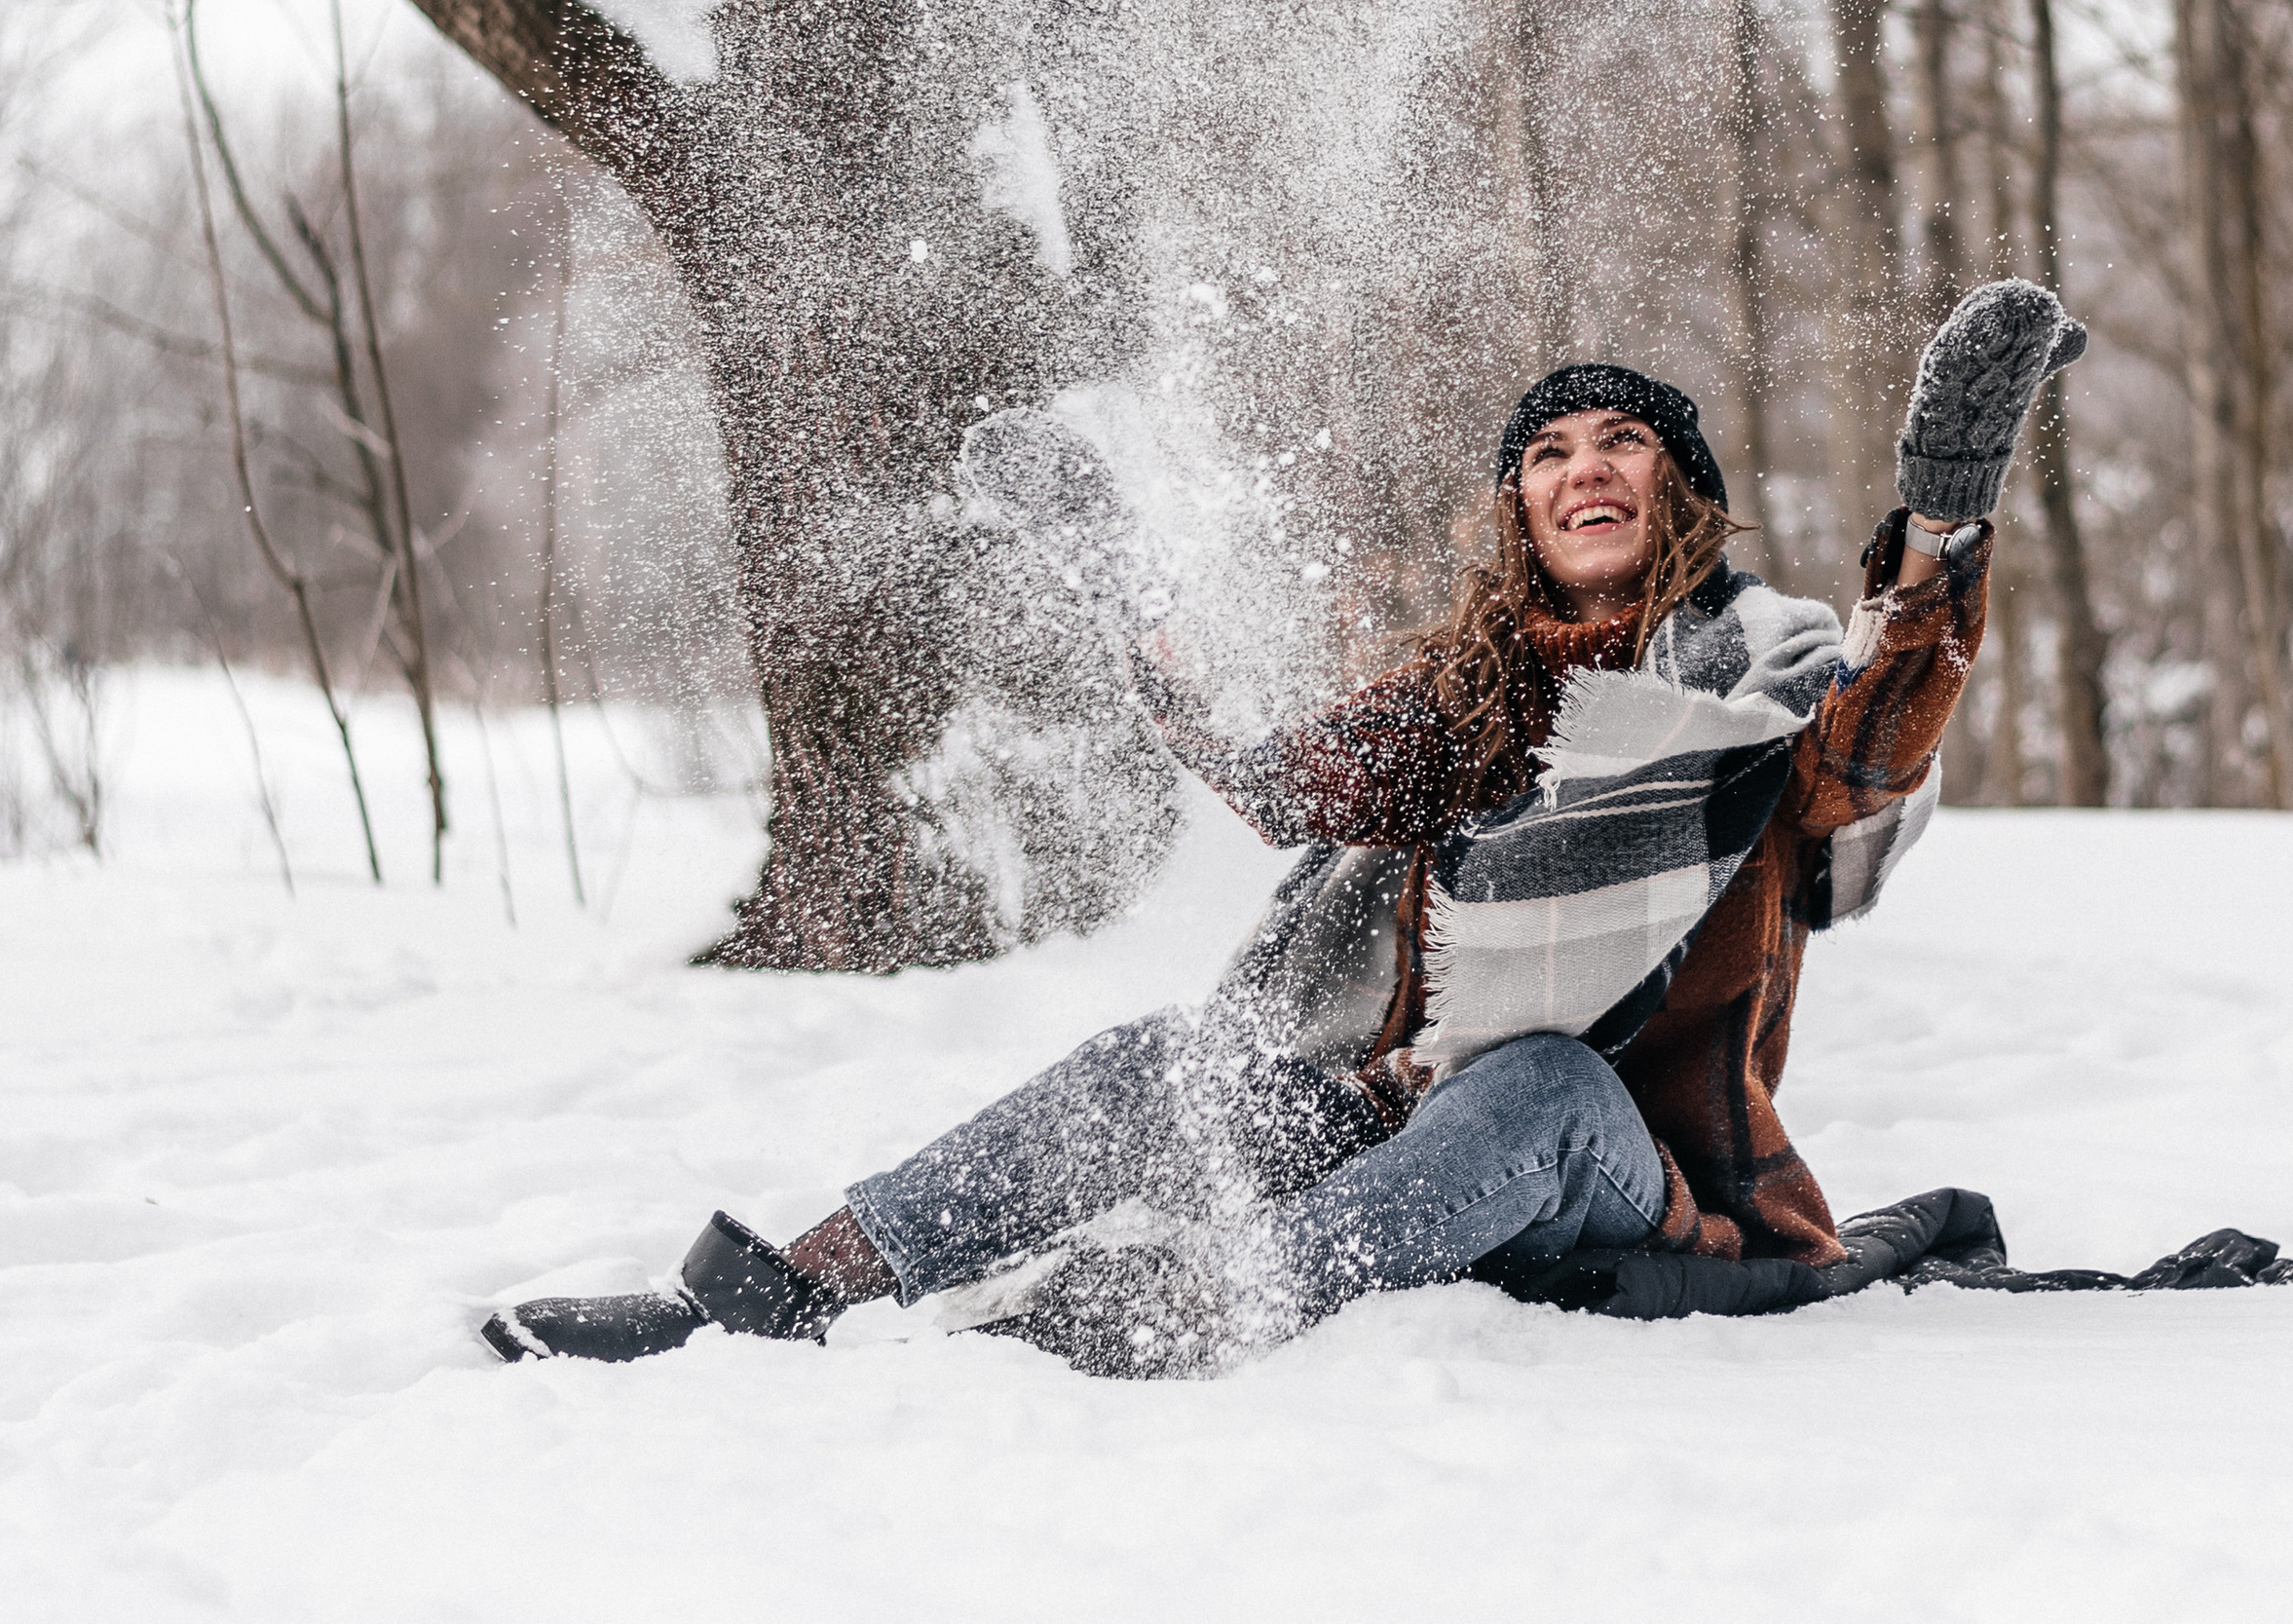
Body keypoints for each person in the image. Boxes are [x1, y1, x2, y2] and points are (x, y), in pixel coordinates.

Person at [483, 278, 2084, 1379]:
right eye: (1548, 452)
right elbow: (1270, 780)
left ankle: (1201, 1300)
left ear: (1680, 491)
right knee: (1152, 1076)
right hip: (1402, 1135)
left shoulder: (1766, 674)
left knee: (1533, 1075)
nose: (1583, 468)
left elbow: (1870, 753)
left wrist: (1943, 516)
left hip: (1629, 1163)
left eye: (1622, 445)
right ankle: (795, 1288)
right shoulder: (1466, 701)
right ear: (1521, 508)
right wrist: (1123, 574)